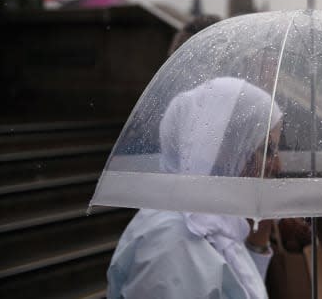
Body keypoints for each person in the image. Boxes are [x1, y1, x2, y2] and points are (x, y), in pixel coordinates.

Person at [107, 77, 283, 299]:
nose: (278, 165)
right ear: (224, 150)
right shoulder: (173, 244)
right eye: (267, 150)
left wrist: (258, 240)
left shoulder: (214, 221)